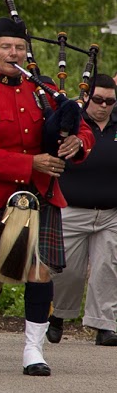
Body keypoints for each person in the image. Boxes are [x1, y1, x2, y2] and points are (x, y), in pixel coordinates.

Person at [0, 17, 95, 376]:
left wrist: (78, 144)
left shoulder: (43, 90)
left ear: (26, 51)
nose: (13, 53)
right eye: (5, 47)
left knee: (40, 272)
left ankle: (33, 349)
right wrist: (32, 163)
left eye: (18, 47)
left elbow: (83, 127)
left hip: (40, 193)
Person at [47, 73, 117, 347]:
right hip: (72, 207)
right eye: (98, 99)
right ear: (87, 97)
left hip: (110, 212)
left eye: (110, 101)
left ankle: (104, 325)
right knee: (67, 270)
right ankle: (58, 316)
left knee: (107, 268)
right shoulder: (72, 122)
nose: (103, 105)